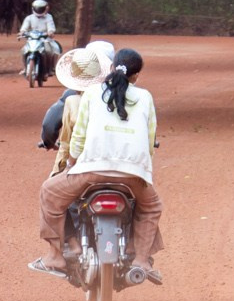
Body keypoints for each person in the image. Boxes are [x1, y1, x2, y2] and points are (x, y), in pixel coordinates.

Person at [32, 45, 164, 284]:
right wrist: (143, 171)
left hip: (91, 170)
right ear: (136, 75)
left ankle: (55, 256)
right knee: (151, 207)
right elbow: (149, 140)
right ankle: (142, 260)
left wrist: (72, 163)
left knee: (49, 192)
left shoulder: (91, 94)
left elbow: (78, 138)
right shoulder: (145, 97)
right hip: (133, 175)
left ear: (111, 68)